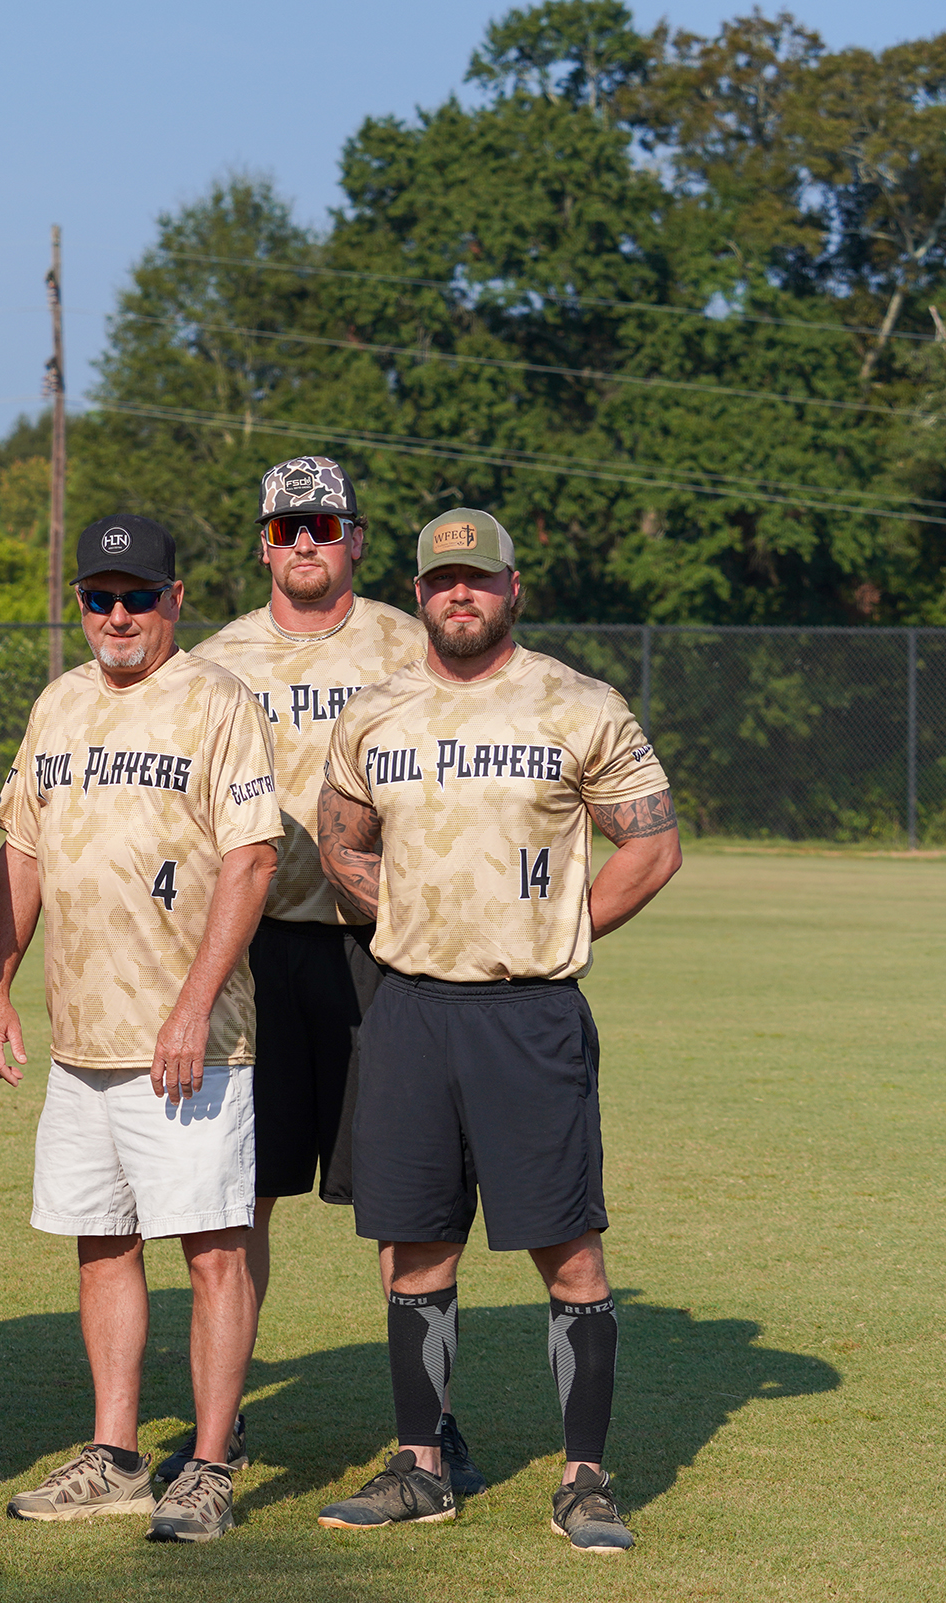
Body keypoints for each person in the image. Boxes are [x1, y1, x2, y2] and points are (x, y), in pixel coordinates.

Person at [312, 509, 680, 1555]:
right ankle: (419, 1467)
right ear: (418, 592)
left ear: (513, 588)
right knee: (414, 1244)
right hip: (411, 1009)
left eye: (476, 579)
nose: (456, 595)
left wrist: (555, 925)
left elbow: (650, 847)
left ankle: (585, 1477)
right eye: (438, 581)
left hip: (529, 1012)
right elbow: (341, 841)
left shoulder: (576, 702)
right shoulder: (374, 713)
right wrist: (410, 909)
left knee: (567, 1251)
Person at [0, 515, 280, 1544]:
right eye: (98, 596)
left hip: (184, 1040)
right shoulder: (58, 702)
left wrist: (191, 1006)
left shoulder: (214, 700)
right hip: (80, 1043)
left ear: (173, 600)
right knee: (101, 1243)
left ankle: (207, 1460)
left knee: (209, 1249)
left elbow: (250, 860)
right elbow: (20, 852)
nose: (115, 615)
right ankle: (113, 1453)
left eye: (136, 596)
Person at [184, 456, 452, 1484]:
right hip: (249, 949)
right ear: (262, 541)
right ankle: (223, 1420)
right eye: (287, 527)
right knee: (234, 1198)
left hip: (379, 948)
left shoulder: (408, 643)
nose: (305, 542)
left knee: (404, 1194)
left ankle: (425, 1429)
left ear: (357, 536)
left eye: (324, 525)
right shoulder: (212, 661)